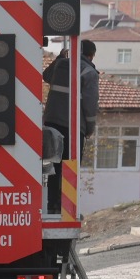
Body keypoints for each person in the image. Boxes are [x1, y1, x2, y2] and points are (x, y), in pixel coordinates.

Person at [43, 38, 99, 214]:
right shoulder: (89, 72)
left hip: (52, 122)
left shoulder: (61, 65)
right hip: (73, 126)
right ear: (91, 55)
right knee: (70, 165)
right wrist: (89, 128)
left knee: (55, 163)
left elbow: (46, 76)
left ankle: (53, 205)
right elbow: (90, 106)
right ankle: (67, 208)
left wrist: (59, 58)